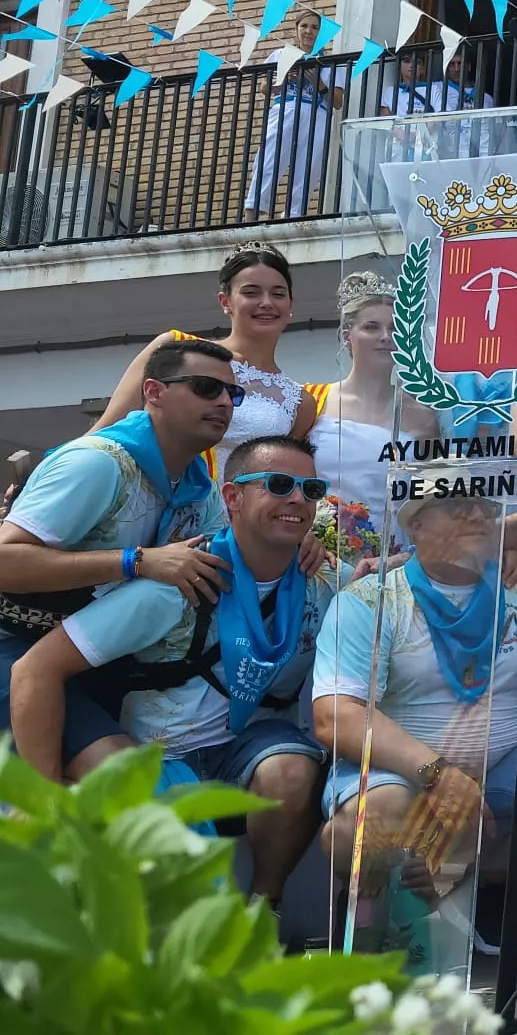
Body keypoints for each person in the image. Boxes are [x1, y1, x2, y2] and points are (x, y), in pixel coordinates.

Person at [9, 436, 336, 905]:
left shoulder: (327, 582)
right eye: (280, 484)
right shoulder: (177, 581)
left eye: (311, 489)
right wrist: (38, 794)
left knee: (292, 770)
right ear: (232, 497)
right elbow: (35, 668)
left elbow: (392, 593)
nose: (297, 500)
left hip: (247, 749)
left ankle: (265, 908)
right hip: (156, 753)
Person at [313, 472, 517, 933]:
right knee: (377, 815)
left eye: (485, 504)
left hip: (505, 763)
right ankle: (372, 926)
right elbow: (335, 717)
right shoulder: (371, 599)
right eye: (456, 503)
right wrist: (439, 774)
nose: (476, 512)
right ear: (417, 526)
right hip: (401, 772)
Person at [0, 339, 235, 777]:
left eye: (232, 394)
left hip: (92, 657)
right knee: (117, 780)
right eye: (205, 387)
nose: (224, 402)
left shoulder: (198, 488)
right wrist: (136, 561)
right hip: (12, 648)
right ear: (153, 392)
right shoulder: (97, 464)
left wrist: (309, 549)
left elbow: (235, 560)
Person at [96, 242, 317, 472]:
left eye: (278, 294)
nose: (266, 303)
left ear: (290, 303)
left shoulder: (300, 402)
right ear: (226, 301)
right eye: (251, 292)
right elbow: (106, 433)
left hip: (237, 506)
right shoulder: (176, 350)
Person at [307, 271, 439, 548]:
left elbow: (430, 494)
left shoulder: (423, 414)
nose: (385, 337)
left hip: (392, 550)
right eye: (371, 327)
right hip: (320, 549)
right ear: (347, 336)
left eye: (395, 329)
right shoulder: (314, 400)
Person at [245, 12, 347, 220]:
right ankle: (252, 214)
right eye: (305, 26)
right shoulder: (281, 55)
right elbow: (265, 88)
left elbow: (337, 102)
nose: (309, 31)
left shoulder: (332, 62)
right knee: (269, 157)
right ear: (296, 28)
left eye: (315, 28)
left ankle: (293, 215)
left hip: (317, 113)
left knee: (308, 166)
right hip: (286, 107)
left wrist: (319, 84)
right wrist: (284, 80)